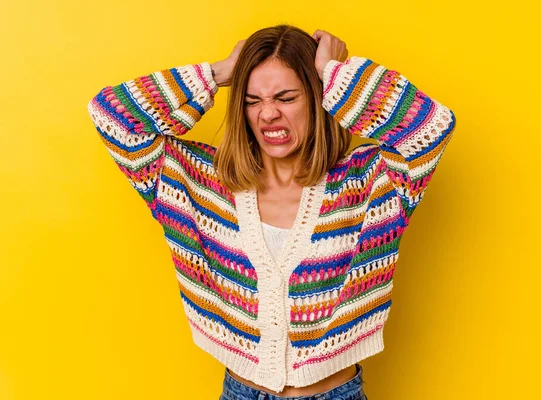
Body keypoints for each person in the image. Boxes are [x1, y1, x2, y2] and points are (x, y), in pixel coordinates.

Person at [87, 24, 456, 400]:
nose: (267, 114)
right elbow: (112, 117)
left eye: (286, 97)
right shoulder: (199, 182)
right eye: (252, 100)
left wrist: (334, 73)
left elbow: (430, 127)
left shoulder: (370, 183)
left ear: (316, 98)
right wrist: (222, 72)